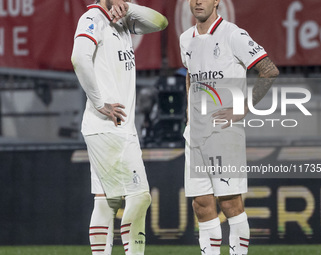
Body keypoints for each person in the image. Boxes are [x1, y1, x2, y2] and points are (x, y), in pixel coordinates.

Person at [180, 0, 279, 254]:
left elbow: (268, 70)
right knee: (201, 204)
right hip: (196, 135)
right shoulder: (185, 39)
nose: (198, 2)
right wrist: (188, 113)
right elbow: (191, 75)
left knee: (230, 203)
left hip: (224, 131)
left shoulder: (233, 34)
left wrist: (243, 108)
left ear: (217, 2)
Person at [71, 0, 168, 254]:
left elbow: (161, 22)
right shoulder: (92, 19)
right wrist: (99, 102)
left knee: (107, 201)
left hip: (111, 128)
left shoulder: (123, 21)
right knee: (140, 197)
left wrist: (128, 7)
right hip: (109, 126)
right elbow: (78, 58)